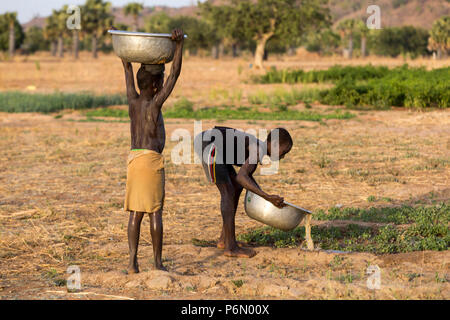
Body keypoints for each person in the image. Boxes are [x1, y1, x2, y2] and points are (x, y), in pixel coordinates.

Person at [120, 28, 184, 273]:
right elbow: (175, 74)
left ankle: (132, 262)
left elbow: (126, 68)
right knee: (155, 212)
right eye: (161, 80)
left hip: (134, 159)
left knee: (136, 213)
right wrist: (178, 47)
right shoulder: (155, 103)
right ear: (157, 86)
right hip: (150, 162)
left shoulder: (132, 100)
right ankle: (157, 263)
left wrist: (126, 49)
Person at [195, 126, 293, 258]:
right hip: (209, 144)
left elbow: (244, 180)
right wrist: (267, 197)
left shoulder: (258, 148)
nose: (283, 156)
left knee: (236, 187)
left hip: (214, 145)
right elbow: (242, 177)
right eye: (284, 151)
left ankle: (225, 240)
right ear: (274, 144)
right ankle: (230, 247)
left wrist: (266, 197)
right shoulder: (258, 150)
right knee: (228, 192)